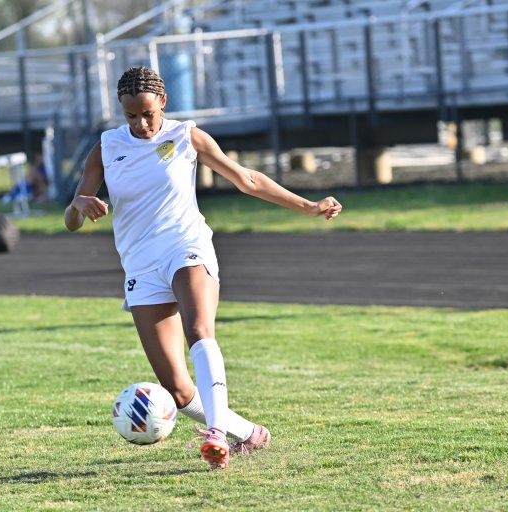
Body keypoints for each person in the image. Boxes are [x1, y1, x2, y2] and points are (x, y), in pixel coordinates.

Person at [64, 66, 342, 470]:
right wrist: (77, 206)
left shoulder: (186, 135)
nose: (140, 124)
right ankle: (247, 432)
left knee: (199, 330)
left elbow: (246, 179)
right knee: (176, 390)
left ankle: (215, 434)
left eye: (147, 114)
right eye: (130, 116)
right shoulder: (105, 148)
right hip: (141, 266)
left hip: (186, 246)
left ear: (163, 102)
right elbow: (71, 219)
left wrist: (309, 206)